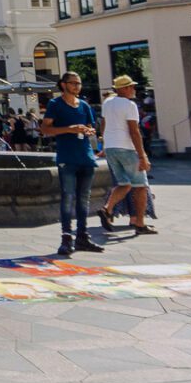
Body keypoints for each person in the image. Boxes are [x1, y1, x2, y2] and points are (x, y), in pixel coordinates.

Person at [41, 72, 104, 256]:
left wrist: (89, 130)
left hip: (86, 157)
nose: (77, 86)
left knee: (84, 199)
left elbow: (92, 127)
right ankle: (66, 237)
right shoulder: (55, 105)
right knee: (68, 197)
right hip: (67, 158)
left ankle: (82, 236)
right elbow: (45, 129)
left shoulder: (83, 105)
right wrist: (69, 129)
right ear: (63, 85)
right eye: (73, 83)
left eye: (79, 83)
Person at [97, 74, 156, 234]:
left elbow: (103, 124)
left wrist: (104, 144)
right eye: (130, 86)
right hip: (126, 148)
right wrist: (142, 155)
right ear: (123, 89)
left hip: (111, 148)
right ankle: (140, 223)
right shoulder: (129, 105)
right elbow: (134, 131)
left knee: (124, 184)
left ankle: (107, 209)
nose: (133, 89)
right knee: (141, 187)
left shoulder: (107, 103)